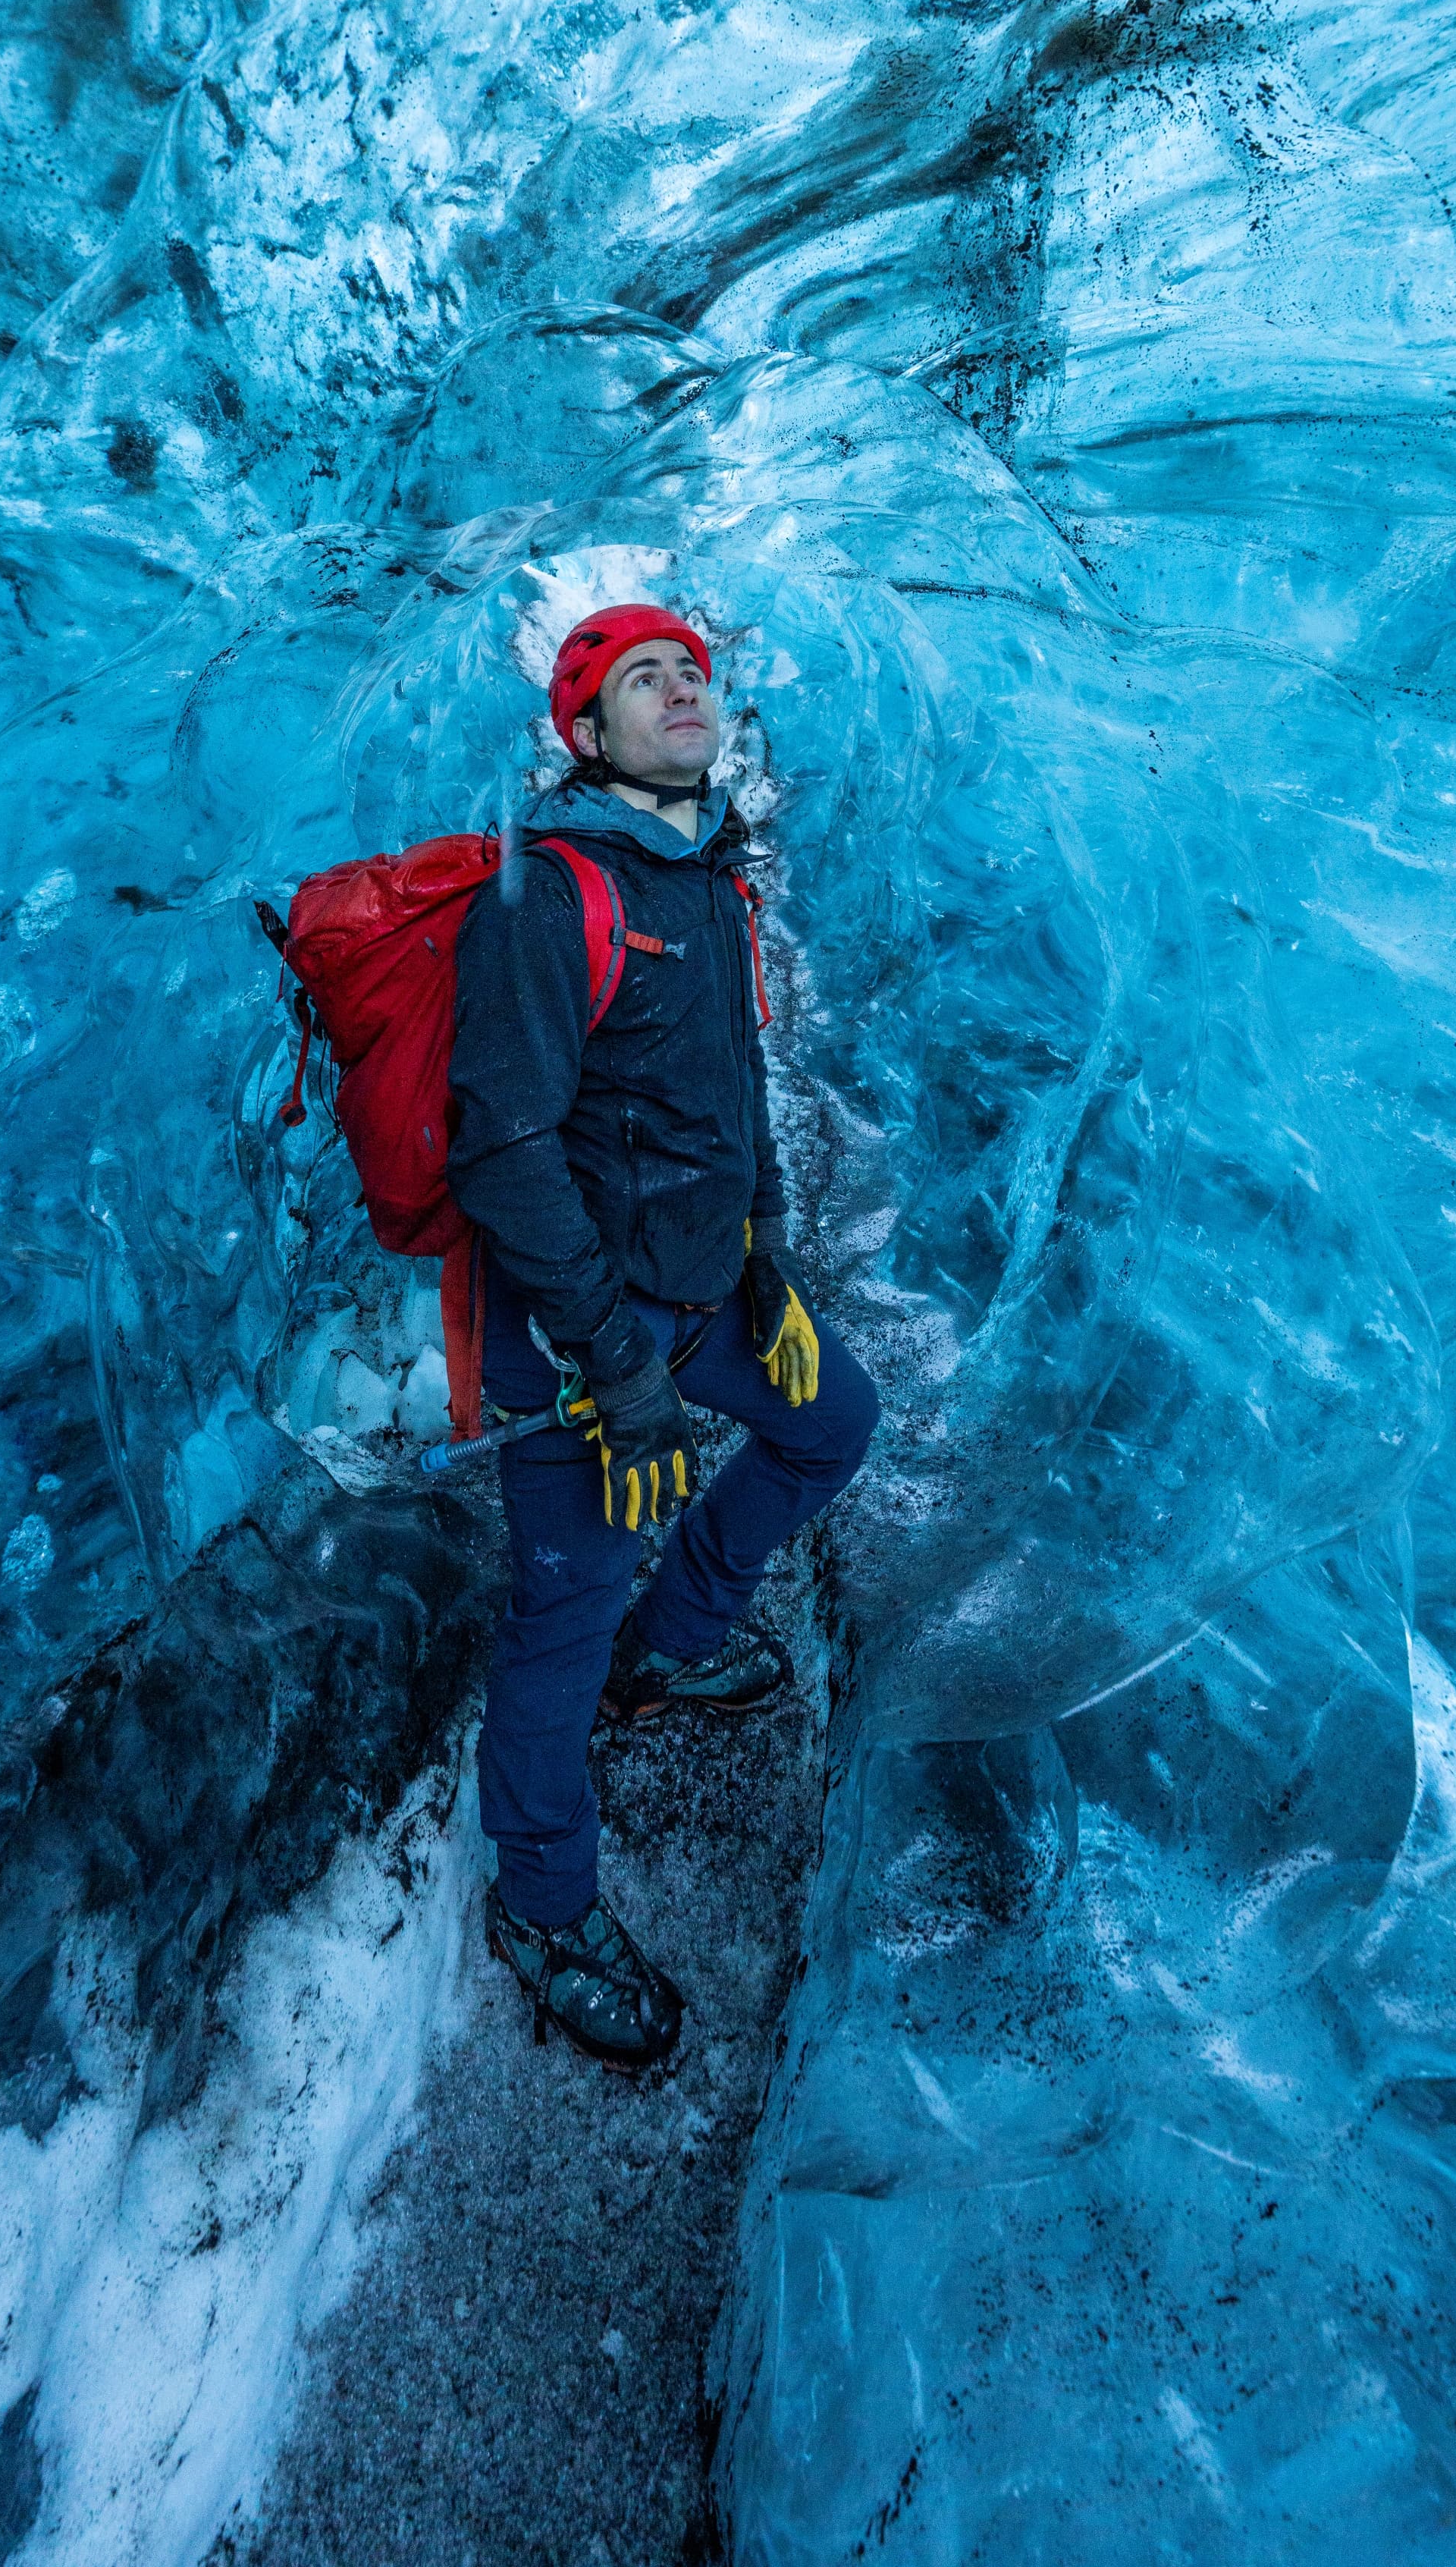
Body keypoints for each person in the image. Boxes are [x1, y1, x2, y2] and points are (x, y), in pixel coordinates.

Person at [447, 601, 880, 2068]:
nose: (682, 688)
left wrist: (769, 1260)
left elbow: (735, 1083)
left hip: (699, 1296)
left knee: (831, 1424)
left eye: (692, 669)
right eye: (641, 677)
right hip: (577, 1340)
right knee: (563, 1609)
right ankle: (544, 1908)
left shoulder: (709, 880)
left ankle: (678, 1637)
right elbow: (501, 1149)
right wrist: (618, 1371)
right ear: (584, 734)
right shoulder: (552, 894)